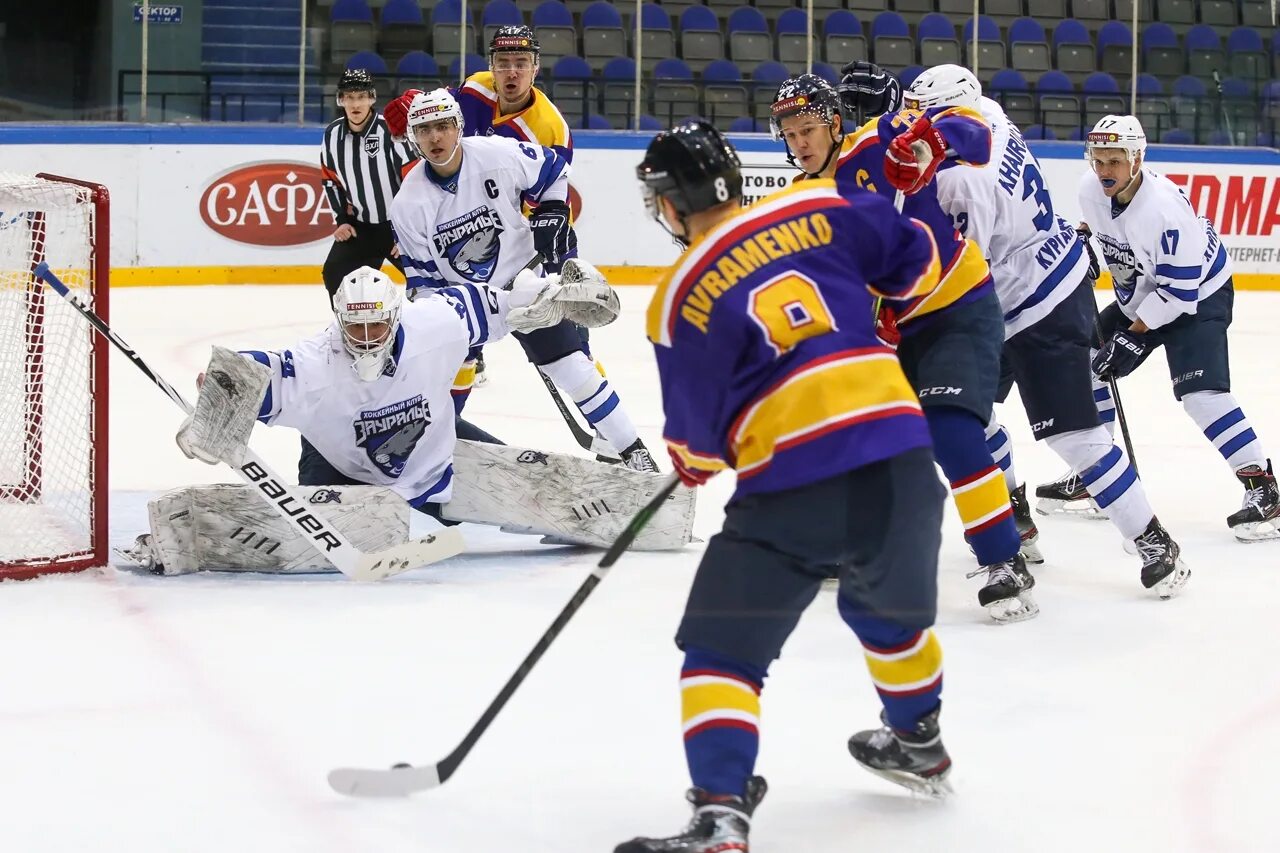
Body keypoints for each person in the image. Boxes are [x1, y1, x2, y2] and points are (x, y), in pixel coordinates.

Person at [616, 119, 951, 853]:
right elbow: (920, 265)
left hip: (791, 485)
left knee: (722, 654)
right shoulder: (823, 205)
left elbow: (696, 448)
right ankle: (919, 737)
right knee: (888, 618)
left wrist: (697, 459)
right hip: (900, 453)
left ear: (671, 201)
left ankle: (721, 815)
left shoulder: (679, 293)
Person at [895, 66, 1190, 596]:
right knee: (962, 413)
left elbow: (962, 272)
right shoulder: (991, 118)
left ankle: (1153, 540)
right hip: (1044, 271)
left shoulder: (962, 182)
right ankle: (1012, 516)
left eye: (925, 115)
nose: (914, 125)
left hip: (1034, 303)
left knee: (1072, 436)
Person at [771, 72, 1035, 622]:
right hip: (891, 333)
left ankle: (1004, 560)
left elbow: (976, 131)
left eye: (809, 129)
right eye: (790, 134)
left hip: (956, 308)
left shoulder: (879, 138)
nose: (800, 143)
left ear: (835, 122)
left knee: (950, 429)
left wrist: (928, 144)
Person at [179, 264, 619, 522]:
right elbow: (261, 370)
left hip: (435, 454)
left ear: (396, 315)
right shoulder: (315, 365)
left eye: (377, 324)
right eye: (356, 326)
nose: (367, 337)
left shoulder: (435, 322)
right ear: (338, 320)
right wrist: (219, 396)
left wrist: (550, 298)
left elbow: (504, 304)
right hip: (338, 468)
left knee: (533, 486)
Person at [389, 88, 658, 472]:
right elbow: (424, 282)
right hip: (464, 302)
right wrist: (441, 327)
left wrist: (551, 210)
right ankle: (432, 455)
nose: (435, 137)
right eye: (425, 129)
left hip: (523, 286)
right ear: (414, 136)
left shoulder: (495, 153)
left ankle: (633, 452)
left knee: (571, 366)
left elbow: (553, 170)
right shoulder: (408, 204)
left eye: (443, 126)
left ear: (459, 126)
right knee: (436, 390)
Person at [1044, 114, 1277, 542]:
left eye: (1114, 161)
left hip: (1198, 294)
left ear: (1137, 159)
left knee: (1201, 396)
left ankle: (1264, 489)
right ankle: (1100, 475)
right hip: (1147, 292)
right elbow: (1099, 228)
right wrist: (1083, 242)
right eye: (1098, 159)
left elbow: (1178, 294)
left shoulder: (1165, 211)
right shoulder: (1089, 189)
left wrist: (1133, 335)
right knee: (1088, 364)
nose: (1104, 171)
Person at [384, 26, 580, 388]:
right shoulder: (475, 87)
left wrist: (546, 227)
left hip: (518, 230)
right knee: (454, 328)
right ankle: (463, 376)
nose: (512, 72)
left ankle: (582, 372)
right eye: (503, 63)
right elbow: (433, 111)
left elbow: (547, 195)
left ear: (536, 68)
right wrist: (411, 103)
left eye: (521, 63)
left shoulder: (551, 129)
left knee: (568, 337)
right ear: (491, 65)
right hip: (472, 225)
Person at [319, 68, 417, 303]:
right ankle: (352, 331)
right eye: (349, 97)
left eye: (361, 96)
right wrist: (341, 220)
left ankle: (422, 331)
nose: (356, 104)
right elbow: (330, 179)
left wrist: (407, 234)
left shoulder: (391, 131)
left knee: (423, 280)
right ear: (340, 100)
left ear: (372, 98)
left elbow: (414, 182)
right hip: (362, 228)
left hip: (398, 228)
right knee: (334, 272)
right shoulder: (332, 134)